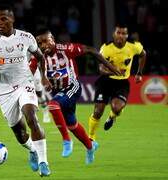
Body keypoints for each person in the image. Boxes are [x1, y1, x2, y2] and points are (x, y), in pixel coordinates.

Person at [0, 5, 52, 176]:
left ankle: (44, 162)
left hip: (25, 83)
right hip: (4, 90)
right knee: (20, 132)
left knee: (31, 117)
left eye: (3, 19)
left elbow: (40, 56)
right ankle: (32, 150)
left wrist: (44, 77)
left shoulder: (26, 37)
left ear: (12, 19)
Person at [32, 29, 121, 164]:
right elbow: (28, 71)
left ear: (53, 39)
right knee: (72, 124)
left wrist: (110, 66)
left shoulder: (66, 49)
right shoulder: (38, 56)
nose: (44, 45)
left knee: (52, 105)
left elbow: (90, 50)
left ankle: (66, 141)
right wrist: (41, 78)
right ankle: (90, 147)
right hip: (59, 93)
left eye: (46, 41)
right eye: (40, 43)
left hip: (72, 87)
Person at [88, 24, 146, 141]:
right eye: (118, 33)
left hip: (122, 83)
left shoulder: (134, 46)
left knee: (117, 108)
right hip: (106, 82)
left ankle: (112, 116)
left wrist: (139, 73)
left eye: (123, 33)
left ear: (127, 35)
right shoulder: (106, 48)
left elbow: (143, 54)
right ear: (114, 34)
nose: (121, 36)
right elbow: (101, 69)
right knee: (98, 111)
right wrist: (114, 71)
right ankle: (91, 138)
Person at [29, 55, 52, 123]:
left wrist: (44, 76)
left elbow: (41, 60)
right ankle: (32, 114)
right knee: (26, 92)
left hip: (34, 70)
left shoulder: (31, 47)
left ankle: (45, 112)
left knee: (39, 93)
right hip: (22, 71)